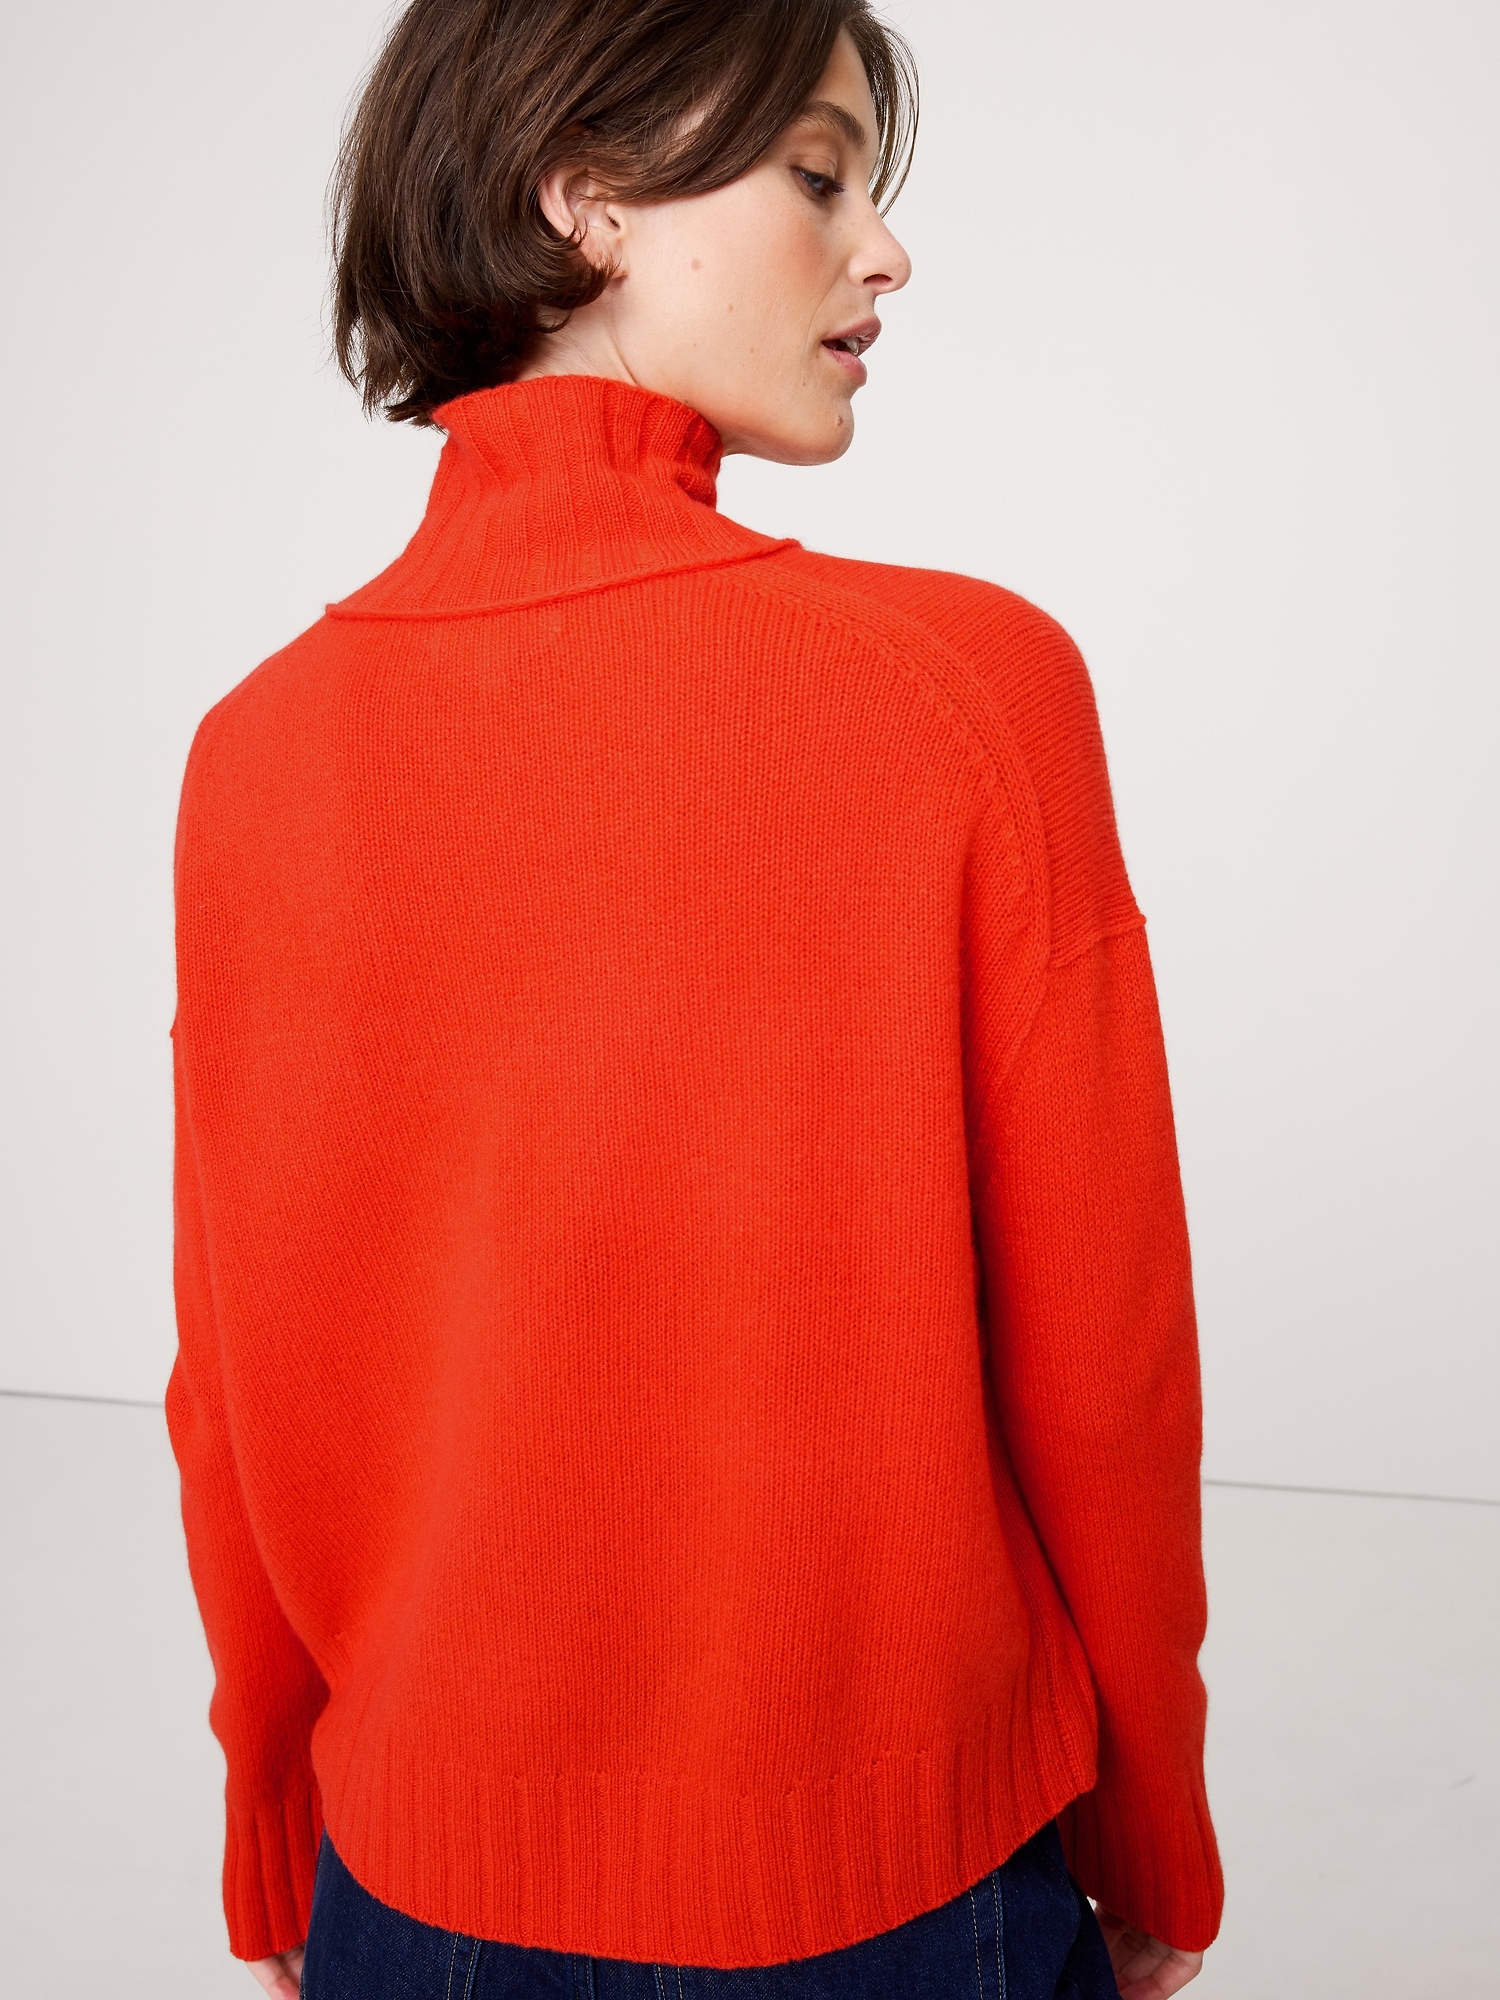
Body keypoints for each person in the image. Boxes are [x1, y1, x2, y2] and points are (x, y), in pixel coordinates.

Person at [166, 3, 1224, 1996]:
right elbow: (1108, 1360)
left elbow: (236, 1390)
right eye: (819, 175)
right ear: (585, 199)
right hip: (908, 1892)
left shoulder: (257, 755)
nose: (886, 250)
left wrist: (278, 1839)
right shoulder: (965, 696)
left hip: (416, 1895)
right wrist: (1152, 1811)